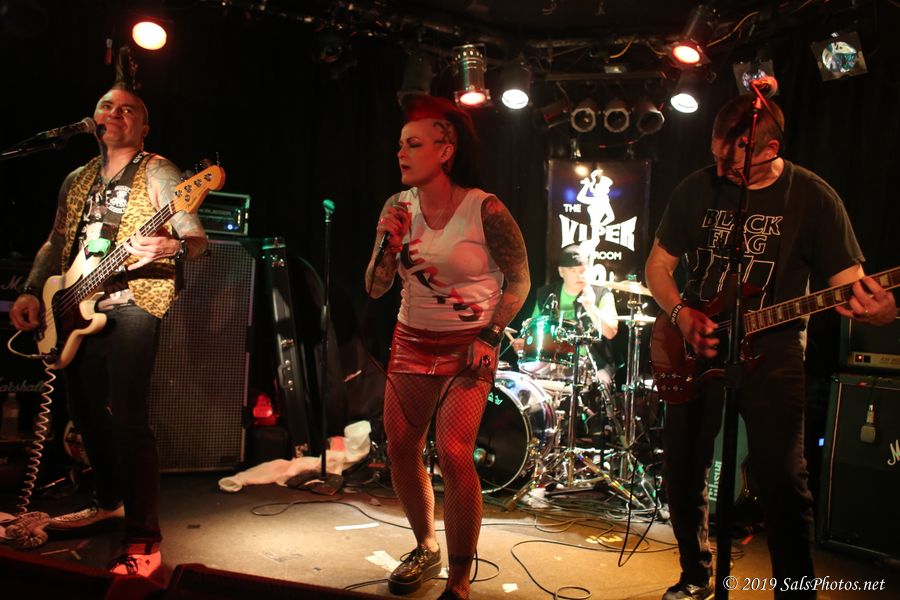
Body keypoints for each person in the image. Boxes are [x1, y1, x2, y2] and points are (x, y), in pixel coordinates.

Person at [644, 94, 896, 600]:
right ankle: (695, 573)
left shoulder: (812, 197)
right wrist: (681, 314)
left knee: (783, 480)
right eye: (715, 156)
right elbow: (657, 266)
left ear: (770, 148)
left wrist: (881, 309)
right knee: (682, 468)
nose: (721, 170)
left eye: (733, 163)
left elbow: (853, 284)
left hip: (774, 348)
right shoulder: (697, 187)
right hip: (695, 340)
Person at [9, 84, 208, 577]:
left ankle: (144, 537)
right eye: (107, 106)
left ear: (144, 127)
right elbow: (56, 240)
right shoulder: (77, 178)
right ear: (93, 119)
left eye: (129, 109)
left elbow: (196, 238)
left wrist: (172, 248)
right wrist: (33, 290)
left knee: (128, 416)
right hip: (75, 300)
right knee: (84, 413)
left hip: (134, 300)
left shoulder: (159, 171)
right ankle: (109, 500)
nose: (115, 113)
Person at [365, 94, 529, 600]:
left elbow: (520, 280)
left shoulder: (485, 208)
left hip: (468, 345)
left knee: (455, 452)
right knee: (400, 447)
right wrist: (388, 247)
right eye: (400, 144)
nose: (401, 153)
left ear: (445, 150)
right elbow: (375, 287)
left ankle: (459, 579)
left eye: (414, 144)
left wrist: (489, 334)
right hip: (412, 339)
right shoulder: (397, 207)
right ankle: (425, 546)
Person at [512, 243, 618, 383]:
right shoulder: (546, 294)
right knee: (526, 381)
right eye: (572, 270)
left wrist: (590, 306)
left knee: (600, 382)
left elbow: (611, 332)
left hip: (594, 365)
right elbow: (534, 328)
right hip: (551, 361)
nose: (579, 275)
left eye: (582, 270)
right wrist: (525, 344)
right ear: (561, 272)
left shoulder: (602, 294)